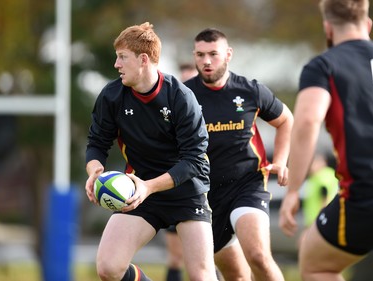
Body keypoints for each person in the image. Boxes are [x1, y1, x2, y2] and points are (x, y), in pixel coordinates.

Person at [85, 22, 218, 281]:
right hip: (139, 191)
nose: (116, 65)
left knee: (202, 276)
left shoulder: (181, 97)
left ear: (143, 59)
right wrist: (94, 170)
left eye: (122, 57)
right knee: (109, 268)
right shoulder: (112, 97)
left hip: (186, 192)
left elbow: (194, 160)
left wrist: (150, 186)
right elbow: (97, 143)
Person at [278, 0, 373, 280]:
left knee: (316, 264)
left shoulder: (324, 65)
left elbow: (306, 121)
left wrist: (293, 191)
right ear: (368, 25)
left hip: (369, 193)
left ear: (328, 28)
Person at [185, 28, 293, 281]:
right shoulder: (183, 95)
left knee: (258, 257)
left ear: (228, 54)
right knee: (236, 276)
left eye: (214, 54)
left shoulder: (250, 91)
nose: (207, 61)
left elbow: (286, 120)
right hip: (205, 195)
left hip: (248, 184)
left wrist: (281, 160)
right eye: (200, 55)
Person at [164, 62, 198, 281]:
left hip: (200, 193)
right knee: (175, 257)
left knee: (205, 261)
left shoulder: (204, 113)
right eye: (183, 80)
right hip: (173, 188)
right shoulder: (169, 108)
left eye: (191, 80)